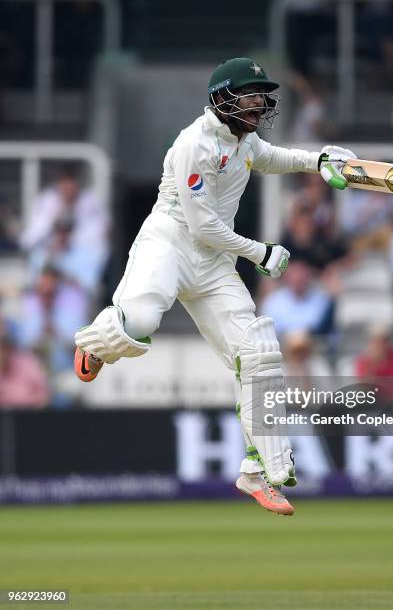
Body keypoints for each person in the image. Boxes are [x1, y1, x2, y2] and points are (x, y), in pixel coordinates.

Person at [73, 57, 356, 516]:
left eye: (262, 97)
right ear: (223, 98)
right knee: (141, 321)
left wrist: (318, 159)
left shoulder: (245, 141)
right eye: (250, 96)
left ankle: (257, 470)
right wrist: (259, 252)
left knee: (259, 349)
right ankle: (95, 344)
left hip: (214, 263)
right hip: (170, 243)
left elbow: (274, 158)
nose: (259, 105)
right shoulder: (194, 144)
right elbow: (202, 226)